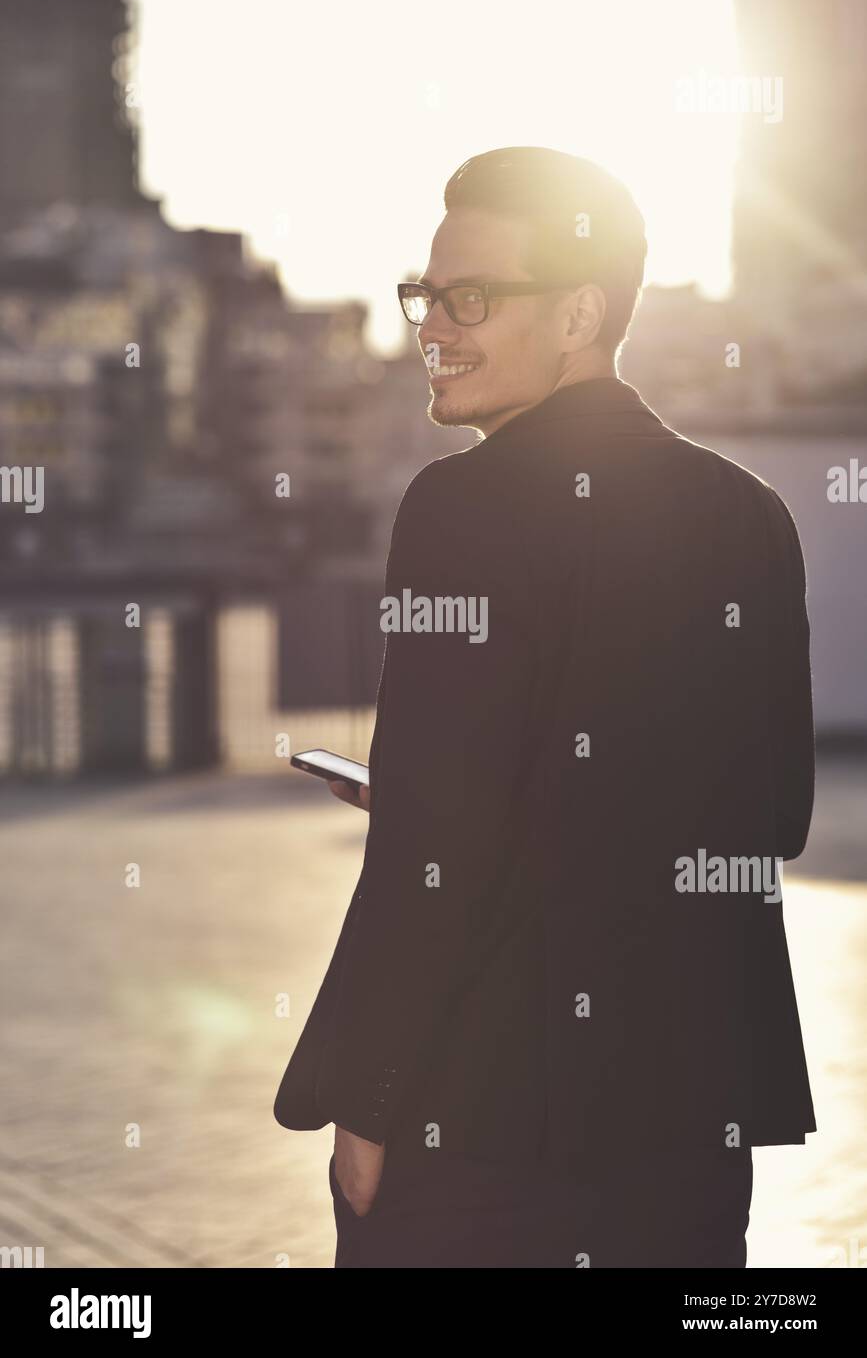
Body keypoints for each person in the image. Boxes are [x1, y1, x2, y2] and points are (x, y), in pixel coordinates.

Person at [274, 146, 816, 1268]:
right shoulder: (754, 517)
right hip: (687, 1133)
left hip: (479, 1131)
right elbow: (777, 817)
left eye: (470, 297)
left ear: (580, 313)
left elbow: (434, 852)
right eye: (424, 295)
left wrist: (366, 1104)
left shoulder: (463, 506)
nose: (433, 326)